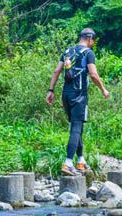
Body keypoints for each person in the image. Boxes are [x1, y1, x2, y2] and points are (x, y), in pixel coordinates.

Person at [46, 28, 110, 176]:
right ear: (89, 39)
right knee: (76, 127)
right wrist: (103, 89)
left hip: (66, 95)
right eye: (93, 41)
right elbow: (93, 74)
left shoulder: (67, 51)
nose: (93, 44)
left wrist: (51, 91)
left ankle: (80, 160)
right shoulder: (88, 53)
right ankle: (68, 163)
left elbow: (57, 71)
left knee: (77, 126)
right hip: (79, 95)